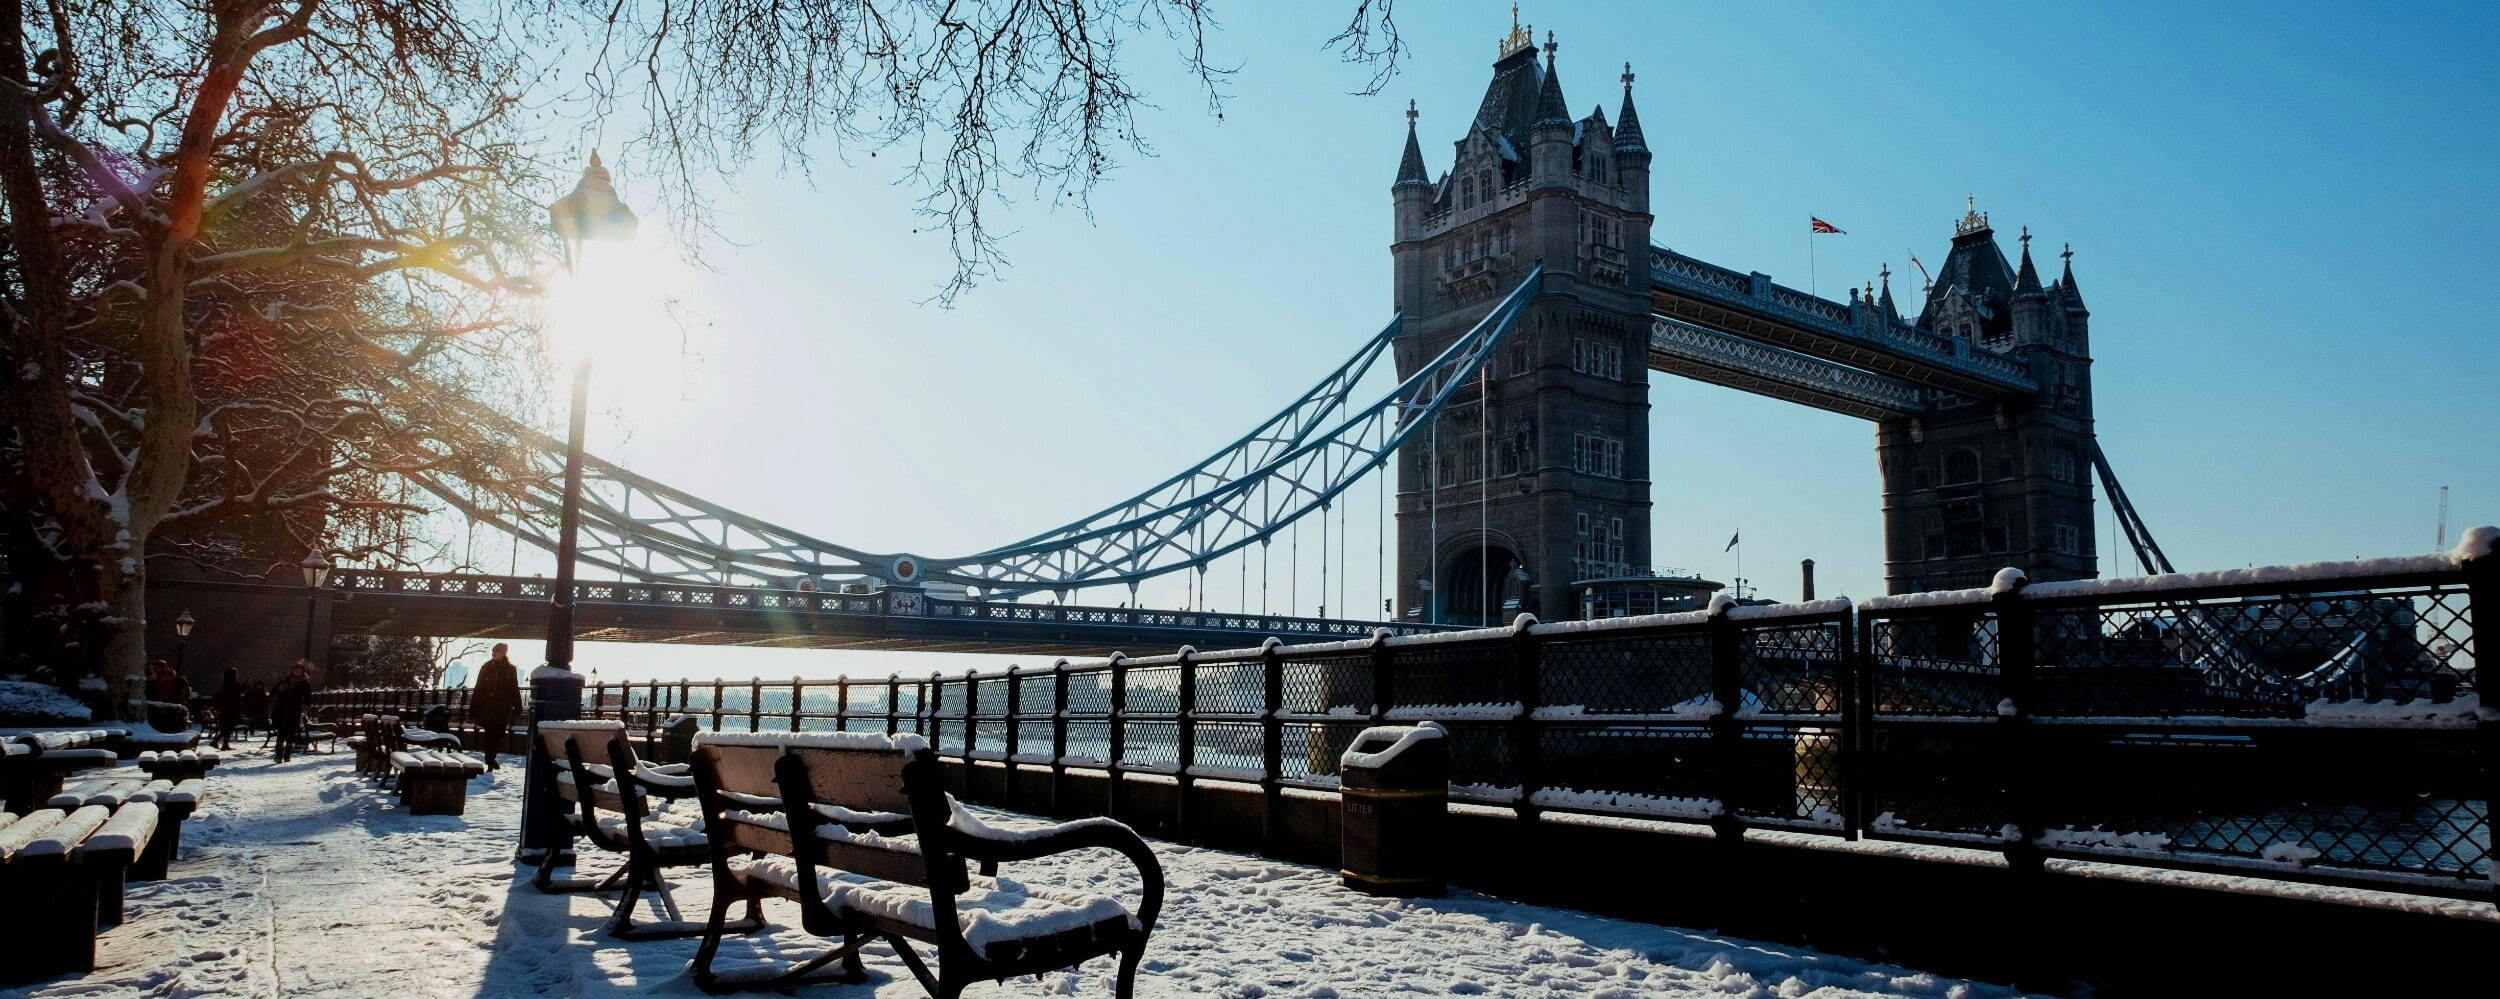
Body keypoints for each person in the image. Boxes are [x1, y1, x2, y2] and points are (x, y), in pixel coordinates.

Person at [469, 643, 523, 769]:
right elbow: (479, 688)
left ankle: (491, 757)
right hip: (488, 706)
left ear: (503, 653)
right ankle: (490, 759)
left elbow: (514, 688)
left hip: (503, 707)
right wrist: (473, 709)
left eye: (497, 651)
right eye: (493, 651)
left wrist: (518, 705)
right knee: (490, 733)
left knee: (499, 734)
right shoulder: (486, 667)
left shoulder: (511, 669)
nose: (493, 653)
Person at [270, 661, 314, 764]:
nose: (297, 671)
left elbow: (308, 697)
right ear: (292, 671)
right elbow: (273, 692)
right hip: (282, 710)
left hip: (295, 710)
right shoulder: (285, 680)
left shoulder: (304, 683)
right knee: (281, 733)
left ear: (302, 672)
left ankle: (287, 755)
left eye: (299, 670)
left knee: (291, 734)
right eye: (295, 670)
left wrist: (305, 707)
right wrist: (279, 689)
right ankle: (278, 755)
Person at [212, 667, 244, 750]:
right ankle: (219, 742)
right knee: (229, 727)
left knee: (228, 727)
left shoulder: (225, 683)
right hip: (232, 709)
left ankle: (221, 743)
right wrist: (245, 686)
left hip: (226, 708)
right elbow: (237, 693)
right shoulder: (233, 683)